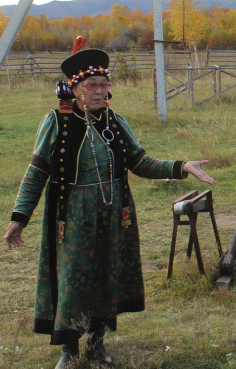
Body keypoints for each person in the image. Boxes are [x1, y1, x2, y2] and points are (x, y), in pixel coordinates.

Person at [3, 45, 216, 368]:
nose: (101, 91)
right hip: (73, 216)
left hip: (114, 214)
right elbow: (36, 173)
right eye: (93, 86)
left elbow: (140, 162)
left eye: (105, 85)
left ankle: (96, 345)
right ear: (75, 90)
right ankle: (69, 350)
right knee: (74, 280)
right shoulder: (57, 123)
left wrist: (182, 166)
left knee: (107, 277)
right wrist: (19, 218)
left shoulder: (115, 122)